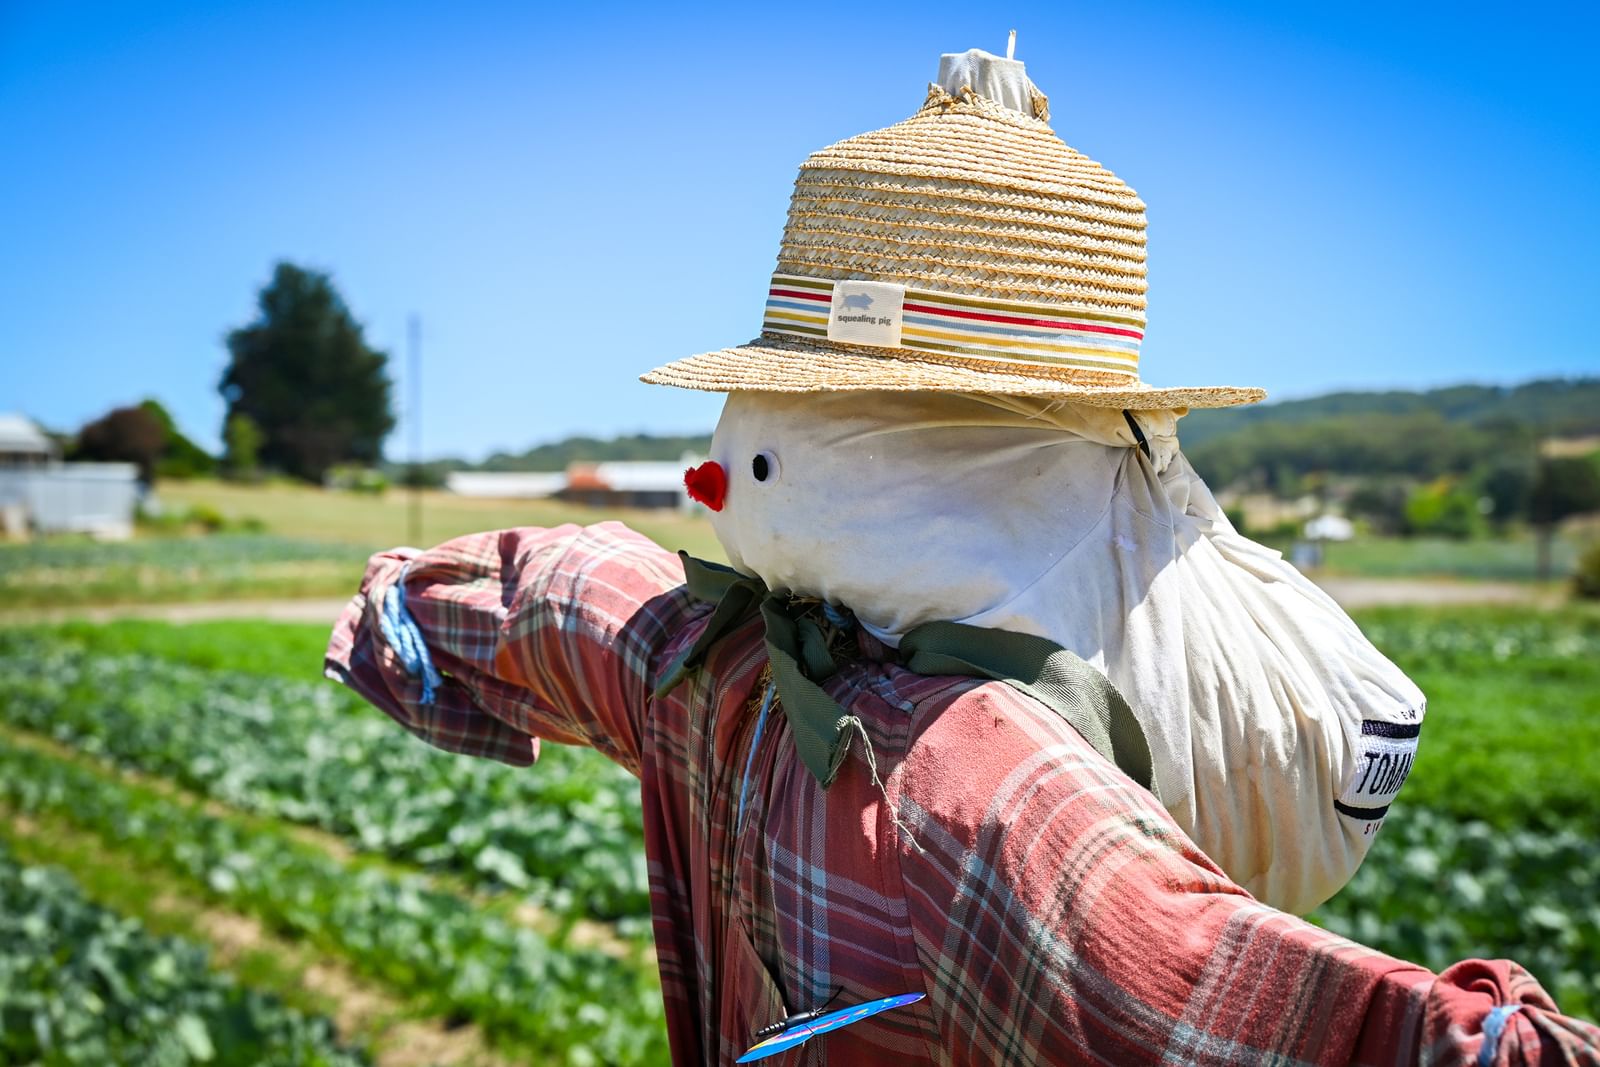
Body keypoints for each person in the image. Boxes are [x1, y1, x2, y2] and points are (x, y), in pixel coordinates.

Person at [327, 46, 1600, 1066]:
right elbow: (1250, 1012)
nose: (715, 483)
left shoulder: (703, 663)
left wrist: (403, 606)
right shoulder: (984, 793)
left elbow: (558, 594)